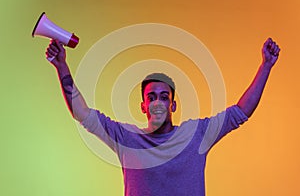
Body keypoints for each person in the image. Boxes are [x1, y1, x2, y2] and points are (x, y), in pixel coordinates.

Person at [46, 38, 280, 196]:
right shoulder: (126, 139)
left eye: (164, 96)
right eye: (152, 97)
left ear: (173, 104)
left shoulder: (196, 135)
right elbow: (82, 114)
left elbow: (241, 111)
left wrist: (266, 66)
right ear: (143, 106)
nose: (158, 102)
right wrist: (61, 66)